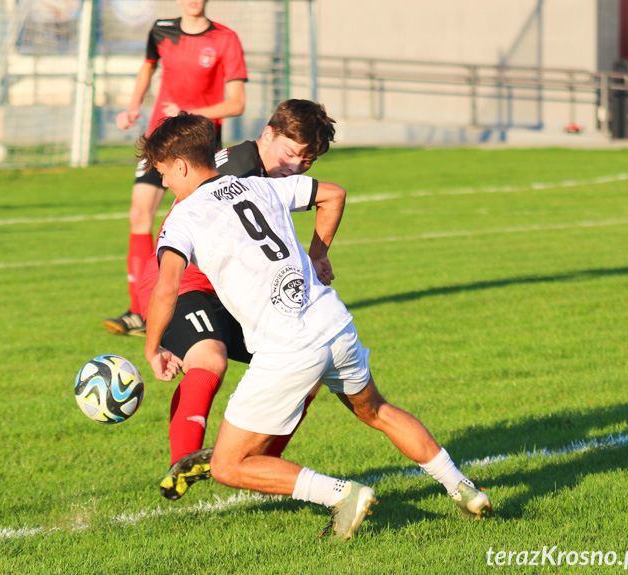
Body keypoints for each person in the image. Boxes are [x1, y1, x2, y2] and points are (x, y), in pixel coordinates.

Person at [142, 113, 492, 539]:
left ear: (180, 166)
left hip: (288, 346)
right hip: (334, 324)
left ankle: (342, 494)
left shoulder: (182, 217)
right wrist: (317, 255)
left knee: (228, 466)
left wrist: (152, 347)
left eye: (161, 173)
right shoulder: (262, 185)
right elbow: (333, 194)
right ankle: (464, 488)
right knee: (378, 411)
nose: (163, 183)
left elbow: (165, 291)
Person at [134, 100, 337, 501]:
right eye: (290, 153)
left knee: (308, 370)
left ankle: (258, 470)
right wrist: (152, 345)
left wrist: (314, 257)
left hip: (235, 292)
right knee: (210, 359)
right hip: (183, 283)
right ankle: (183, 466)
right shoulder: (238, 172)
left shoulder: (259, 170)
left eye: (306, 160)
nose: (296, 165)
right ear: (266, 134)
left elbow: (327, 199)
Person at [102, 0, 247, 337]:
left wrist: (191, 110)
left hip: (199, 147)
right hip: (160, 139)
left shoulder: (226, 39)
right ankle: (138, 311)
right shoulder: (161, 30)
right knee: (140, 214)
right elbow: (147, 67)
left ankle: (217, 300)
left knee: (199, 225)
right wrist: (132, 108)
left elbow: (237, 102)